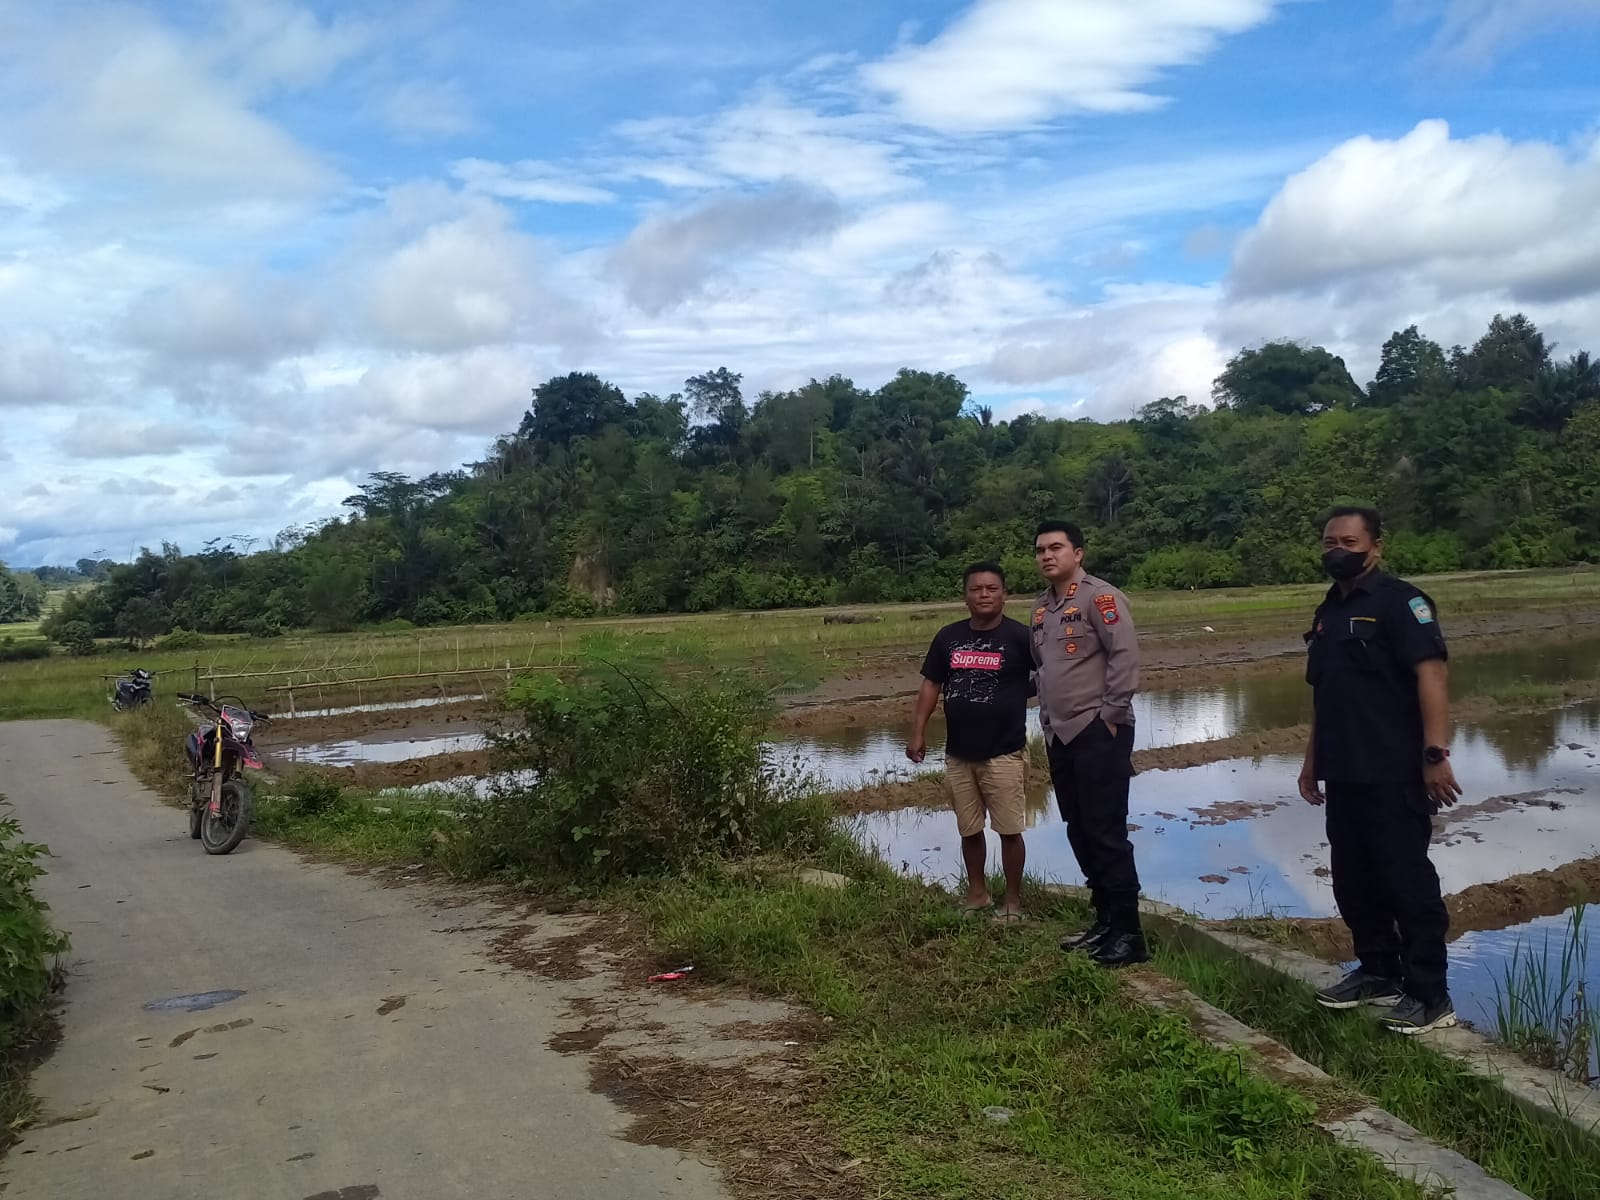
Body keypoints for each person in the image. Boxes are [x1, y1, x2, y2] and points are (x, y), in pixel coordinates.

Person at [1298, 506, 1462, 1035]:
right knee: (1353, 879)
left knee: (1406, 881)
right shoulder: (1328, 611)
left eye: (1349, 542)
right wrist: (1311, 762)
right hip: (1344, 771)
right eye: (1330, 542)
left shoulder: (1402, 603)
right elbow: (1326, 695)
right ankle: (1378, 971)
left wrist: (1435, 754)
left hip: (1395, 770)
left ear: (1375, 547)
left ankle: (1430, 995)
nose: (1337, 550)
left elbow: (1432, 676)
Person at [1030, 521, 1145, 966]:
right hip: (1059, 732)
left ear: (1078, 553)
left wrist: (1110, 715)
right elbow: (1044, 669)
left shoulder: (1100, 598)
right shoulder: (1041, 609)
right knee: (1078, 827)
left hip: (1097, 729)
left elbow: (1125, 656)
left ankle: (1129, 934)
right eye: (1040, 550)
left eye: (1056, 547)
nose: (1047, 555)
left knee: (1105, 830)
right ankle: (1105, 922)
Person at [907, 562, 1034, 922]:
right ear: (965, 596)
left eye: (992, 589)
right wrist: (918, 732)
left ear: (1004, 594)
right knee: (969, 829)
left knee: (1009, 831)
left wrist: (1021, 693)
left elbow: (1052, 676)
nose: (984, 595)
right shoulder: (948, 637)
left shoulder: (1021, 637)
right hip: (959, 753)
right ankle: (977, 895)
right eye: (976, 589)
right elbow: (931, 684)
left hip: (1004, 752)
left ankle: (1012, 903)